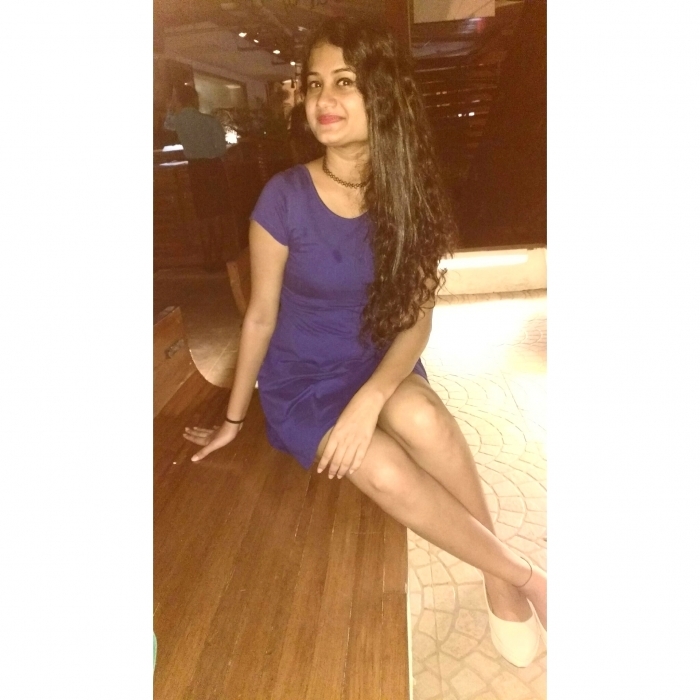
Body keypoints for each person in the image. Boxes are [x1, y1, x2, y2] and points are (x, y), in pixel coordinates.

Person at [183, 18, 546, 667]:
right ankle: (524, 577)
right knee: (380, 466)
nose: (323, 98)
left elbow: (416, 320)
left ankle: (496, 577)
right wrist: (233, 420)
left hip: (378, 361)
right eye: (315, 82)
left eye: (345, 82)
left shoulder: (406, 192)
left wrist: (372, 397)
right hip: (303, 381)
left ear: (383, 94)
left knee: (424, 417)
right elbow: (259, 318)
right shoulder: (285, 197)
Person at [164, 83, 234, 269]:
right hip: (213, 168)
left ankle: (207, 257)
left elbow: (166, 124)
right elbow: (221, 150)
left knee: (203, 214)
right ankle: (219, 256)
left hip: (195, 169)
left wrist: (171, 106)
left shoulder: (178, 121)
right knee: (217, 214)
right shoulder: (209, 121)